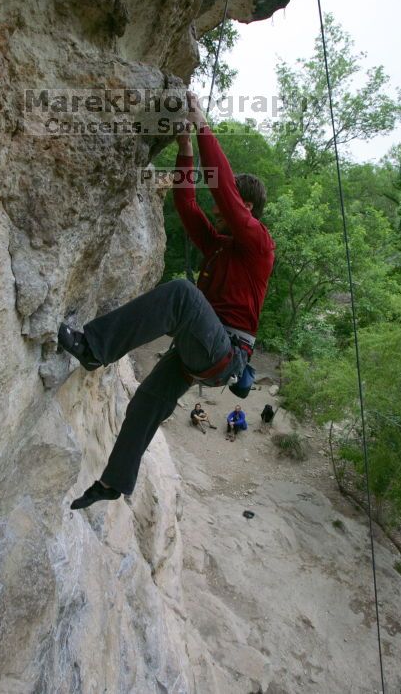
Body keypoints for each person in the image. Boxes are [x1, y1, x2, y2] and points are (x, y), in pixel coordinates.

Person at [58, 90, 275, 510]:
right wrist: (185, 147)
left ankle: (93, 347)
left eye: (238, 205)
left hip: (226, 353)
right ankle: (113, 482)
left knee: (180, 292)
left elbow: (225, 197)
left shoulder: (259, 246)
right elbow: (186, 202)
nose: (225, 210)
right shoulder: (217, 246)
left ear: (250, 210)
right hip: (203, 350)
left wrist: (202, 124)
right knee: (147, 400)